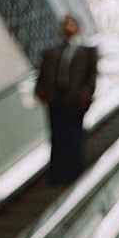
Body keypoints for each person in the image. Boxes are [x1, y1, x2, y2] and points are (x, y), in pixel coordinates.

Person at [35, 15, 97, 185]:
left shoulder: (87, 51)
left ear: (78, 27)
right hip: (56, 99)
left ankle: (74, 174)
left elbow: (91, 75)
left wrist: (86, 93)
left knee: (74, 136)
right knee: (57, 137)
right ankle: (57, 175)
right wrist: (41, 91)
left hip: (75, 100)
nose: (67, 27)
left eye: (71, 24)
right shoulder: (52, 51)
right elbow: (42, 75)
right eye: (65, 24)